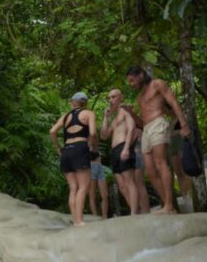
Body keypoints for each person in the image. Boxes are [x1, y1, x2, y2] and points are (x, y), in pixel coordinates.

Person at [125, 66, 190, 214]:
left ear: (140, 74)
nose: (131, 84)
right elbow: (141, 123)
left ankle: (168, 205)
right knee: (149, 170)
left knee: (161, 163)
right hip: (146, 130)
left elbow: (173, 103)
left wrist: (183, 123)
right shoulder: (140, 97)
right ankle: (169, 206)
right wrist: (131, 114)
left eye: (132, 80)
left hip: (159, 124)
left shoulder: (157, 84)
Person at [49, 91, 96, 227]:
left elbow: (52, 131)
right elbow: (92, 133)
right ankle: (79, 221)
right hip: (80, 149)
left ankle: (75, 219)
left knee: (73, 187)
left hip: (67, 151)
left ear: (73, 102)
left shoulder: (65, 116)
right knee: (83, 187)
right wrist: (90, 145)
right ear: (85, 103)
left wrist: (58, 147)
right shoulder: (89, 114)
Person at [100, 89, 139, 215]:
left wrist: (127, 148)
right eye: (109, 98)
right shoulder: (114, 118)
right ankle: (135, 210)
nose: (111, 100)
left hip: (123, 147)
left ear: (121, 97)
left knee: (129, 181)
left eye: (114, 97)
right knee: (122, 186)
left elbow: (132, 127)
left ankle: (134, 212)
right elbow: (104, 136)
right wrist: (105, 117)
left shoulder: (125, 112)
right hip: (115, 151)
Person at [168, 120, 193, 210]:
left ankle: (190, 194)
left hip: (180, 142)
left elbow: (187, 129)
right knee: (178, 173)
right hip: (172, 144)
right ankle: (185, 196)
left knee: (185, 170)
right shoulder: (169, 121)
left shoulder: (181, 117)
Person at [88, 147, 109, 219]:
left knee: (105, 195)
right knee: (92, 195)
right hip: (91, 166)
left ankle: (105, 217)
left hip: (99, 166)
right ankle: (95, 217)